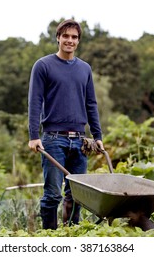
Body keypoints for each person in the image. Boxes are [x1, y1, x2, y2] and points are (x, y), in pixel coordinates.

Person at [28, 19, 104, 230]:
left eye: (74, 37)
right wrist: (34, 135)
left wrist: (97, 136)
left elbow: (91, 103)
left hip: (80, 141)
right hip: (53, 139)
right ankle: (49, 239)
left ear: (78, 41)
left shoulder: (84, 69)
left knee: (77, 195)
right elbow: (35, 101)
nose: (70, 40)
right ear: (58, 38)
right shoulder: (43, 66)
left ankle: (73, 235)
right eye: (66, 36)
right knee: (53, 194)